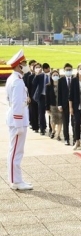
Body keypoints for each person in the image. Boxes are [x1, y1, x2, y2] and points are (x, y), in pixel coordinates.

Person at [5, 50, 32, 190]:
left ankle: (17, 179)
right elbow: (16, 104)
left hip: (17, 119)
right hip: (17, 121)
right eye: (24, 63)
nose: (26, 66)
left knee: (16, 151)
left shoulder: (15, 79)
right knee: (16, 151)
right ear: (18, 65)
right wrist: (18, 123)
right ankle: (15, 181)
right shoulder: (17, 81)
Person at [32, 62, 51, 135]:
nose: (47, 70)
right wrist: (36, 75)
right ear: (43, 69)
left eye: (48, 68)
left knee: (50, 113)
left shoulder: (51, 75)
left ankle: (51, 128)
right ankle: (42, 128)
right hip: (41, 96)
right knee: (41, 113)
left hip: (49, 97)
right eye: (46, 69)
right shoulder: (40, 76)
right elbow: (34, 83)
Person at [57, 63, 74, 145]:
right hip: (64, 104)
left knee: (74, 122)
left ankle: (75, 138)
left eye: (70, 70)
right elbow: (59, 93)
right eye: (67, 70)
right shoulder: (61, 80)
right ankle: (66, 139)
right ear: (64, 71)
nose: (68, 71)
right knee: (65, 122)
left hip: (74, 104)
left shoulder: (75, 79)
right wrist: (59, 104)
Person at [45, 70, 63, 141]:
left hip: (59, 105)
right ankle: (53, 130)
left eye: (57, 75)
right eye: (54, 75)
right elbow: (47, 98)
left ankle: (58, 135)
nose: (55, 76)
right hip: (52, 105)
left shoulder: (61, 85)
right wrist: (47, 107)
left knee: (60, 121)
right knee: (53, 120)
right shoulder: (48, 86)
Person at [23, 59, 38, 132]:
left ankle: (38, 124)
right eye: (32, 65)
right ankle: (33, 123)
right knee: (32, 110)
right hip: (31, 95)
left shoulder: (38, 75)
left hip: (37, 95)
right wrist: (27, 96)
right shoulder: (27, 75)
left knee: (38, 111)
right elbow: (26, 87)